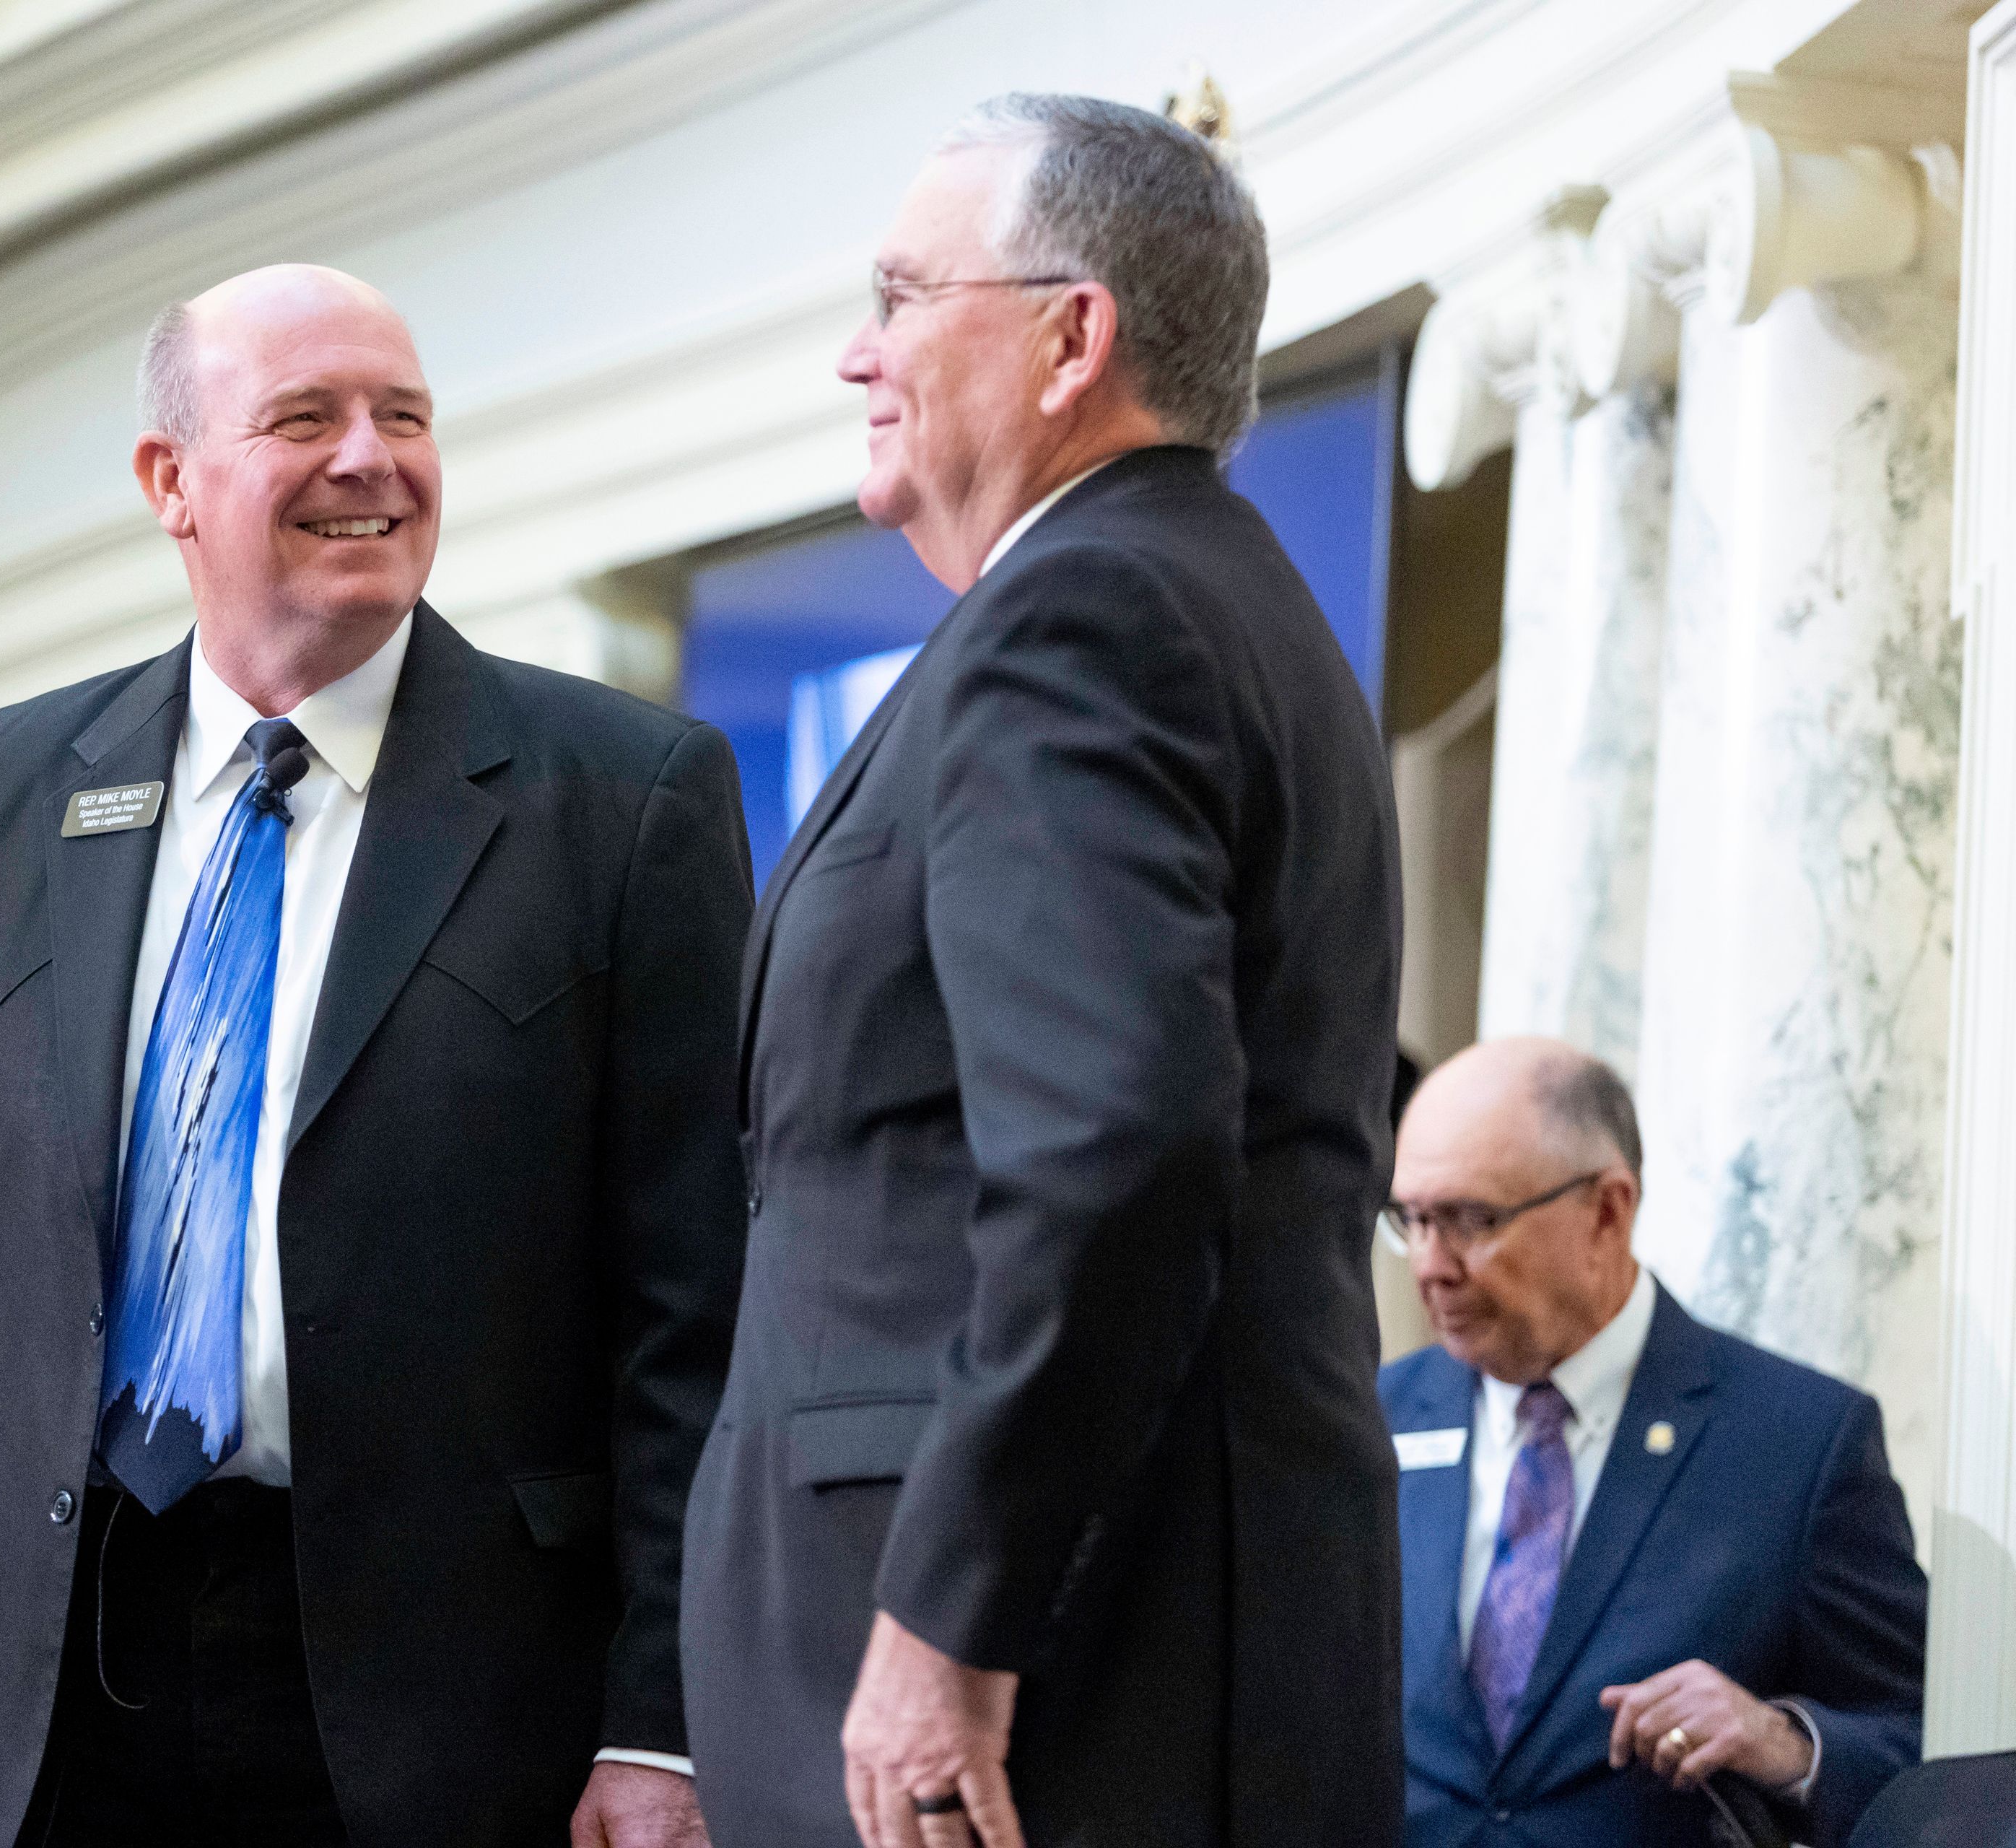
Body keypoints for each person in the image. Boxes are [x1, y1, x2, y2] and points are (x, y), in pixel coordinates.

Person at [0, 264, 749, 1848]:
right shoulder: (9, 788)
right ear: (171, 482)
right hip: (64, 1684)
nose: (372, 457)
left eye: (403, 417)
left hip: (454, 1711)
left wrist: (665, 1727)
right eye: (306, 419)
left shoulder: (625, 798)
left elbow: (697, 1321)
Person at [681, 93, 1405, 1848]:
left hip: (1042, 1690)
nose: (858, 356)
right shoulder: (1213, 600)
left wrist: (951, 1613)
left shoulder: (1078, 616)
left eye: (902, 296)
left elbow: (1113, 1144)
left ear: (1070, 334)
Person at [1380, 1038, 1925, 1847]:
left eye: (1470, 1220)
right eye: (1410, 1220)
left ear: (1607, 1209)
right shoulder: (1382, 1414)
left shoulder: (1799, 1443)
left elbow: (1916, 1749)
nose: (1431, 1265)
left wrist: (1781, 1742)